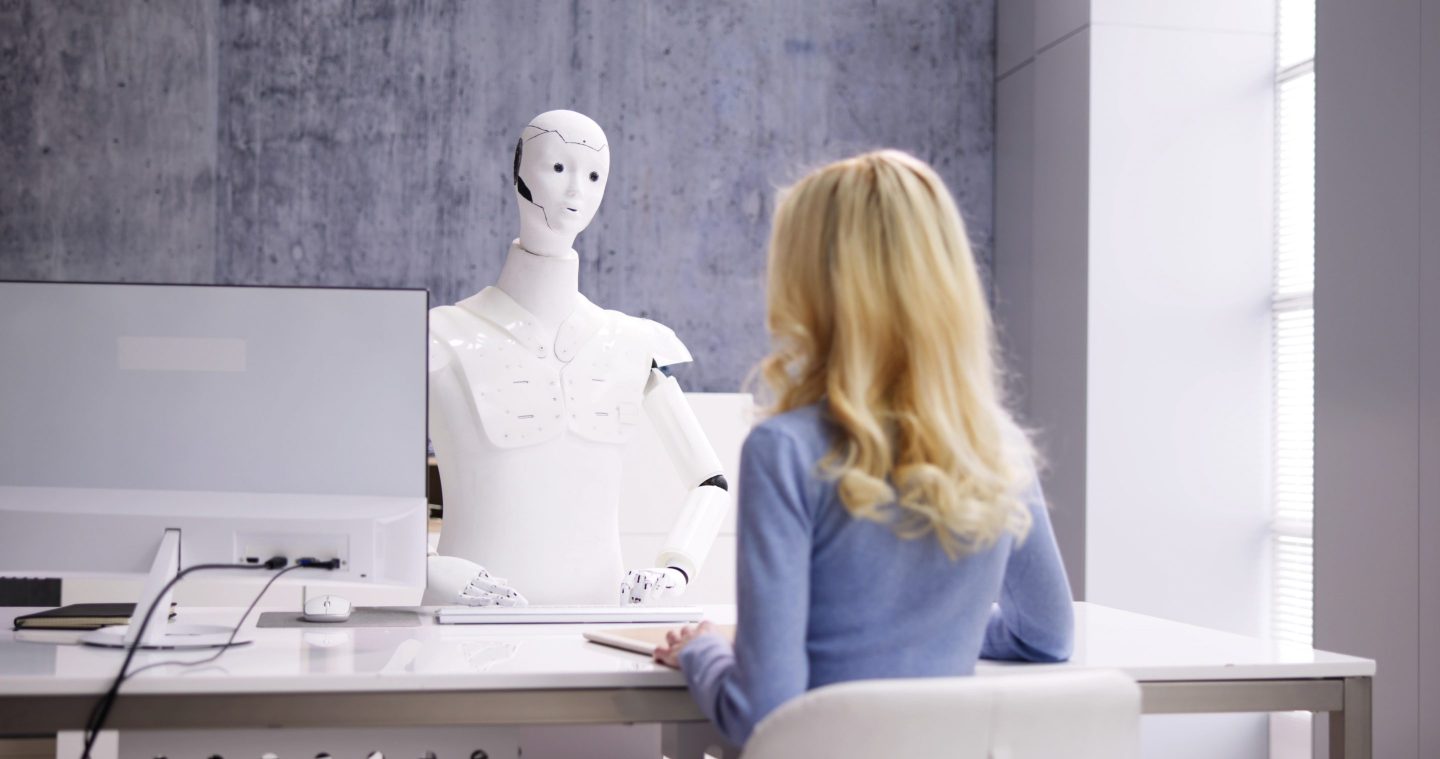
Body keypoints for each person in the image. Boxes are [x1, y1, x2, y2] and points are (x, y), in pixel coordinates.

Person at [653, 150, 1074, 747]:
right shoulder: (997, 449)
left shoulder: (784, 451)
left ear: (808, 287)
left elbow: (763, 713)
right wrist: (921, 639)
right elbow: (1047, 636)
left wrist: (703, 653)